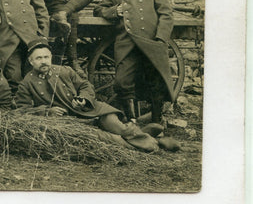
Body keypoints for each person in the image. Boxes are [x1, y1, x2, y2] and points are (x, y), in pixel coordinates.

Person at [15, 38, 180, 152]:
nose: (43, 61)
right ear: (31, 62)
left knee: (117, 127)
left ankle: (139, 133)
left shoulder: (65, 71)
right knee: (107, 138)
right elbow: (21, 110)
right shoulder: (27, 83)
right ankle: (153, 142)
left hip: (92, 110)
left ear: (51, 57)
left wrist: (83, 98)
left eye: (46, 57)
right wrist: (46, 111)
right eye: (38, 58)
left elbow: (86, 85)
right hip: (72, 121)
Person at [93, 0, 174, 123]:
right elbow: (98, 9)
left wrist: (160, 39)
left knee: (155, 80)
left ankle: (157, 121)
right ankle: (132, 121)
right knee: (122, 82)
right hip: (127, 43)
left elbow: (166, 13)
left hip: (150, 42)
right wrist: (115, 10)